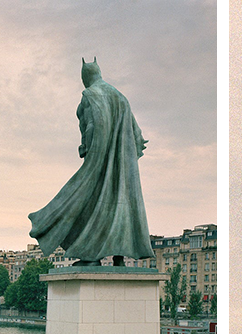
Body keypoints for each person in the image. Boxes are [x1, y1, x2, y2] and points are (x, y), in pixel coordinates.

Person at [27, 58, 155, 265]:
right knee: (119, 204)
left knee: (88, 201)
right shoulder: (121, 97)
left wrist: (86, 148)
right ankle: (118, 257)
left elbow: (91, 126)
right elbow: (136, 133)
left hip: (100, 158)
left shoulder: (90, 95)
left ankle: (90, 254)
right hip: (123, 164)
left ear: (85, 77)